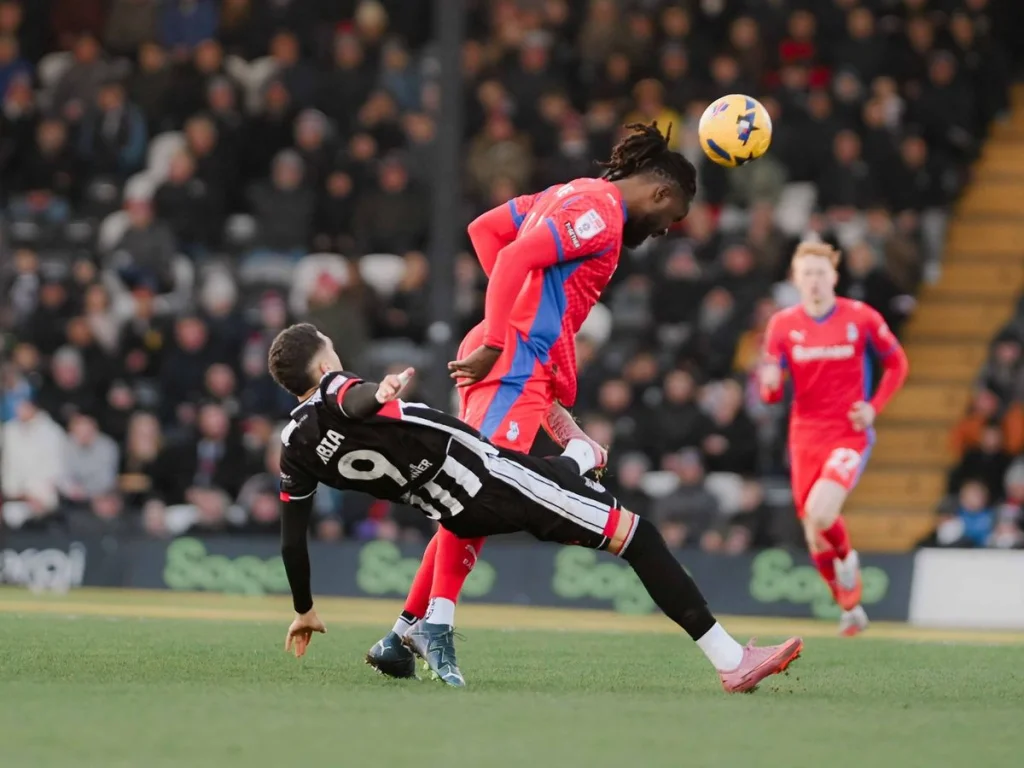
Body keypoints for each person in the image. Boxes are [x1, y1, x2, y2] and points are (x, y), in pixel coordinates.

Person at [269, 323, 802, 692]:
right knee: (636, 536)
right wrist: (380, 392)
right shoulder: (337, 389)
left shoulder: (294, 445)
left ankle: (580, 458)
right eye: (332, 350)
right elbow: (350, 399)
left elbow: (293, 539)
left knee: (559, 477)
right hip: (489, 480)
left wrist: (303, 608)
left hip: (452, 507)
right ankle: (731, 661)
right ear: (324, 362)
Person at [369, 122, 698, 681]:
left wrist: (513, 313)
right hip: (512, 363)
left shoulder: (568, 192)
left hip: (517, 358)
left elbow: (485, 230)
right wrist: (503, 337)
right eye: (674, 216)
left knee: (474, 490)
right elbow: (515, 258)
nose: (667, 228)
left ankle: (401, 636)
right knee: (478, 493)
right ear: (662, 192)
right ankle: (433, 624)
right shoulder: (600, 214)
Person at [759, 242, 909, 636]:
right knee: (813, 533)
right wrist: (770, 385)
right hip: (804, 436)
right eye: (806, 273)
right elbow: (770, 393)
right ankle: (850, 609)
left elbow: (897, 363)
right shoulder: (782, 325)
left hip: (848, 432)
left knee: (822, 513)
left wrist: (874, 407)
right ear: (796, 280)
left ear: (834, 277)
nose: (814, 280)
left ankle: (847, 560)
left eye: (820, 273)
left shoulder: (860, 316)